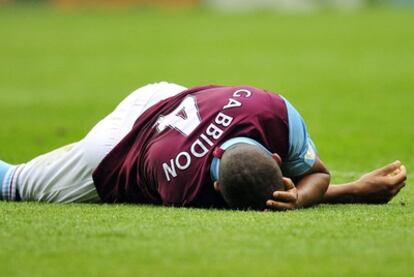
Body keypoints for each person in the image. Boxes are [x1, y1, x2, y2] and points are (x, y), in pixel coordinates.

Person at [0, 82, 407, 210]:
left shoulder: (270, 107)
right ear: (276, 156)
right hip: (110, 150)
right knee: (14, 184)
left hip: (162, 96)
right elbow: (316, 176)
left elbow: (312, 174)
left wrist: (338, 191)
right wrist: (352, 191)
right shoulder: (188, 189)